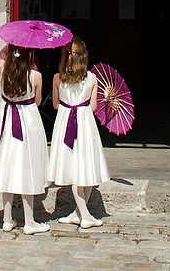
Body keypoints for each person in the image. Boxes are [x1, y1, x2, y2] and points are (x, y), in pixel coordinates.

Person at [46, 37, 109, 228]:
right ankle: (86, 216)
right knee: (83, 168)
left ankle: (78, 213)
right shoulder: (93, 78)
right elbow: (93, 107)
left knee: (76, 170)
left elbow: (55, 105)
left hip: (66, 120)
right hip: (84, 122)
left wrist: (68, 102)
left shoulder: (58, 78)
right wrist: (104, 98)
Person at [0, 43, 49, 233]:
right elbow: (38, 101)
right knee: (28, 167)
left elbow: (1, 55)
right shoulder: (36, 76)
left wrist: (11, 43)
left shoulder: (3, 73)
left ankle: (7, 219)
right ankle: (29, 221)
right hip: (28, 123)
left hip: (7, 123)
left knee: (7, 166)